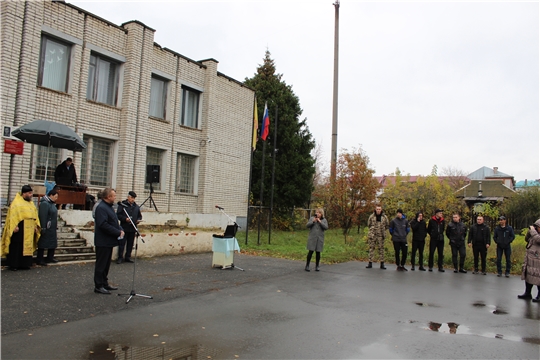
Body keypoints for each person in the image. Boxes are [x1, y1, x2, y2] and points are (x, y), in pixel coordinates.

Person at [1, 185, 41, 270]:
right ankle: (14, 265)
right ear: (24, 193)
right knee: (17, 246)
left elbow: (34, 215)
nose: (31, 195)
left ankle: (24, 264)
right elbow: (12, 216)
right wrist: (14, 226)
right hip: (20, 227)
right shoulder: (16, 202)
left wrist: (35, 226)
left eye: (31, 193)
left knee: (26, 246)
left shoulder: (31, 203)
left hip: (29, 228)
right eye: (29, 193)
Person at [93, 188, 123, 294]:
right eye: (113, 196)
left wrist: (120, 229)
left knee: (106, 264)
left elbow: (114, 221)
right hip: (103, 241)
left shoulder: (109, 207)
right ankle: (98, 285)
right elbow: (103, 224)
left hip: (109, 240)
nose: (115, 197)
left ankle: (104, 283)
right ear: (108, 197)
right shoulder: (101, 208)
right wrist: (117, 232)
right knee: (101, 264)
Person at [116, 191, 142, 264]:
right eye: (131, 198)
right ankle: (120, 257)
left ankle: (128, 256)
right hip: (124, 227)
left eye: (134, 198)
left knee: (130, 244)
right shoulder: (122, 205)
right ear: (128, 197)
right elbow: (118, 215)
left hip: (132, 228)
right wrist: (125, 219)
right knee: (122, 243)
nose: (133, 200)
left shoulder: (136, 207)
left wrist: (138, 220)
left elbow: (139, 216)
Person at [518, 219, 540, 302]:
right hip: (530, 259)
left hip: (538, 261)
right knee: (528, 276)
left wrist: (533, 231)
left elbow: (538, 240)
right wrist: (529, 232)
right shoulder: (534, 234)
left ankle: (539, 295)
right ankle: (527, 293)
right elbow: (526, 239)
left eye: (537, 227)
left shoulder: (536, 235)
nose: (536, 228)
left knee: (538, 277)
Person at [37, 189, 59, 266]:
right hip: (47, 226)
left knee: (52, 242)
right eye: (55, 197)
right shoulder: (45, 204)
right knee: (43, 243)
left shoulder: (52, 204)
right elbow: (43, 216)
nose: (56, 199)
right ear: (51, 195)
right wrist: (43, 227)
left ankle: (50, 257)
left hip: (52, 227)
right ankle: (40, 259)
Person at [366, 205, 389, 269]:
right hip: (373, 235)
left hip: (381, 235)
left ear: (381, 210)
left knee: (381, 249)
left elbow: (387, 225)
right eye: (377, 209)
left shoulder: (384, 217)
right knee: (371, 248)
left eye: (379, 209)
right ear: (375, 209)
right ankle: (370, 263)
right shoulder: (372, 216)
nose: (378, 210)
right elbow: (369, 224)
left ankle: (382, 264)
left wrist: (383, 230)